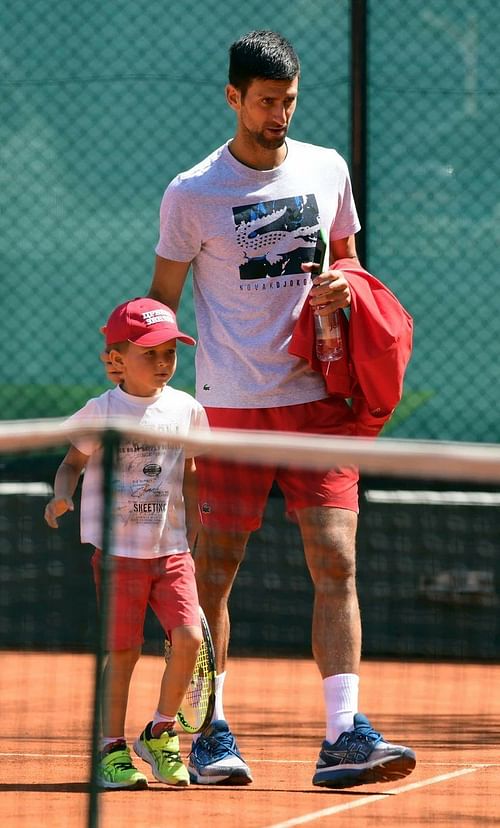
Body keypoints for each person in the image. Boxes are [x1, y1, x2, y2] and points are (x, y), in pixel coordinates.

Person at [108, 30, 416, 788]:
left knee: (336, 560)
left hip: (319, 404)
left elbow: (347, 260)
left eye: (289, 102)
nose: (279, 114)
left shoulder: (326, 169)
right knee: (213, 575)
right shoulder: (191, 194)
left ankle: (343, 735)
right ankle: (209, 729)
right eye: (266, 101)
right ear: (234, 98)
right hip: (229, 410)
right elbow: (163, 304)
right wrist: (143, 399)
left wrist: (347, 284)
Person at [45, 297, 209, 790]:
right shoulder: (102, 412)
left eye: (171, 354)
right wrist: (60, 496)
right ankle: (111, 750)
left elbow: (193, 474)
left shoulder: (187, 408)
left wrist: (195, 532)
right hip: (119, 558)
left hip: (173, 552)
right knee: (123, 653)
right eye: (150, 353)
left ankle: (159, 732)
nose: (163, 363)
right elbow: (71, 463)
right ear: (117, 358)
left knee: (190, 639)